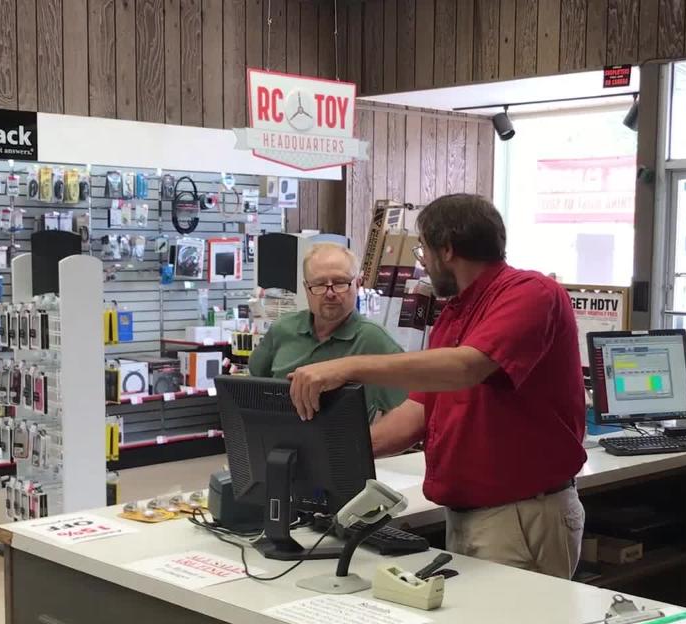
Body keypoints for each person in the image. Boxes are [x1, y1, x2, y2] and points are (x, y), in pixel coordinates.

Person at [287, 194, 588, 579]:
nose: (422, 261)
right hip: (469, 515)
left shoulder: (531, 292)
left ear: (446, 249)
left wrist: (347, 368)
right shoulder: (456, 313)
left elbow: (466, 368)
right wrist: (326, 455)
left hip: (520, 514)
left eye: (423, 249)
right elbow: (418, 411)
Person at [249, 242, 406, 421]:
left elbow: (407, 411)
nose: (330, 293)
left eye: (340, 283)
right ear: (306, 288)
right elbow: (252, 389)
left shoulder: (374, 341)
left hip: (341, 447)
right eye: (319, 284)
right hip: (279, 445)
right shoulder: (281, 330)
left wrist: (370, 444)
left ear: (358, 283)